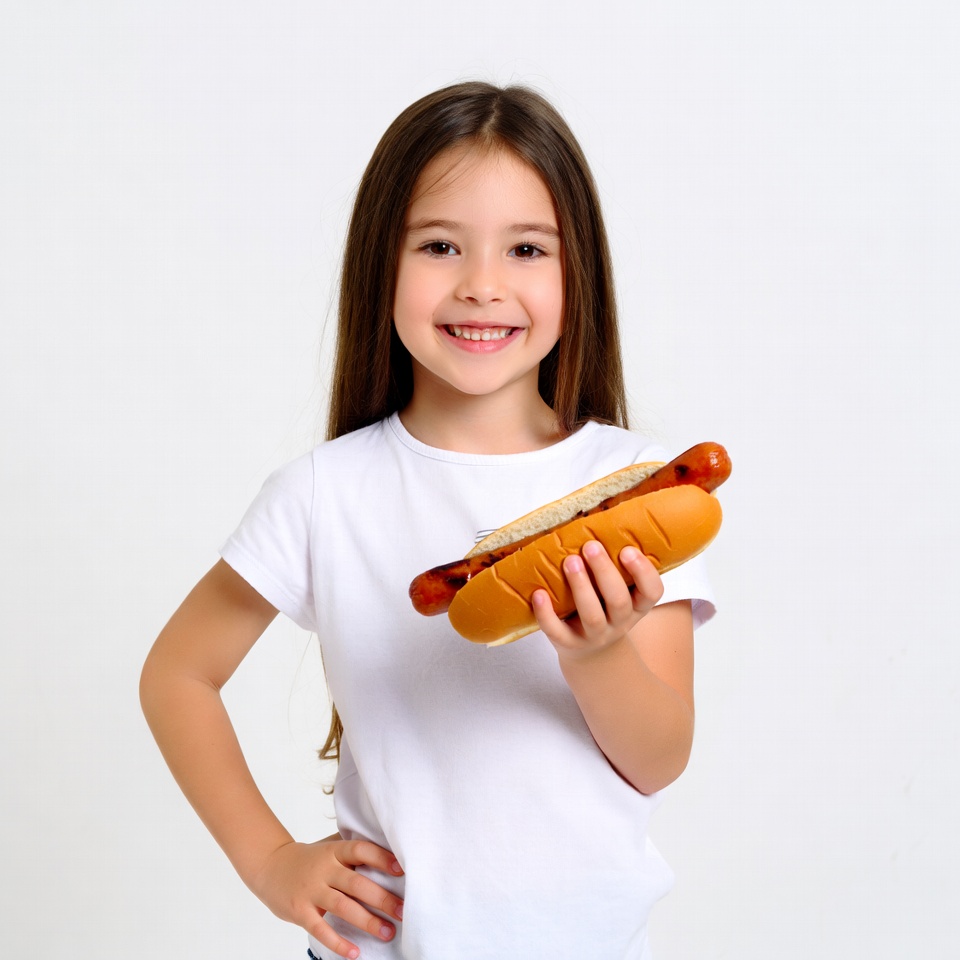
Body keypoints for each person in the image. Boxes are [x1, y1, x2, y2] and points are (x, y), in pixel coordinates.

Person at [140, 81, 716, 960]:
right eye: (441, 245)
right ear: (382, 263)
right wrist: (270, 863)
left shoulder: (629, 487)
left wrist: (597, 654)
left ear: (577, 275)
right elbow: (177, 675)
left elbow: (658, 758)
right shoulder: (321, 494)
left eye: (527, 249)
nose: (483, 286)